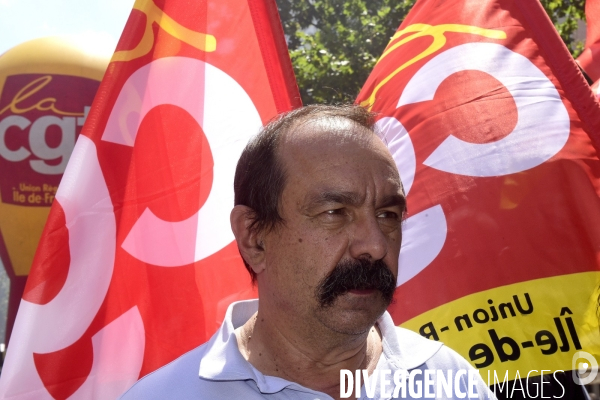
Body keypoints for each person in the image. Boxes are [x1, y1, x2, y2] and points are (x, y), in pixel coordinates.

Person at [120, 105, 495, 399]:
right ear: (254, 237)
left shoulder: (450, 379)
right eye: (334, 213)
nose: (376, 246)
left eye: (388, 215)